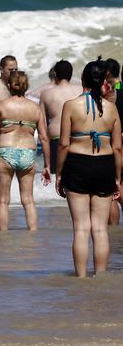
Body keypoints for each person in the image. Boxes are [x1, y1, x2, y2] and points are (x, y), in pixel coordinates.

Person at [56, 58, 122, 277]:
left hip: (77, 165)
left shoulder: (71, 106)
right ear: (103, 81)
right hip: (104, 166)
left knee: (81, 228)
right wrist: (118, 179)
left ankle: (82, 279)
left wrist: (59, 175)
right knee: (100, 229)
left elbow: (64, 144)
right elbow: (118, 148)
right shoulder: (112, 109)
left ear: (83, 79)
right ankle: (100, 277)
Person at [0, 71, 52, 231]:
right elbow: (44, 138)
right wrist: (47, 166)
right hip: (28, 153)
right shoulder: (35, 108)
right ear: (26, 86)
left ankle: (3, 236)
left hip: (5, 153)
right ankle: (33, 235)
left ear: (9, 85)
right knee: (28, 200)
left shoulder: (2, 106)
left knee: (3, 200)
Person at [39, 60, 83, 174]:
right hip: (79, 139)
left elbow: (42, 126)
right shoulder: (81, 90)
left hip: (56, 141)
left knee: (56, 178)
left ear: (55, 74)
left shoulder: (46, 94)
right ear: (71, 74)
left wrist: (46, 162)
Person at [104, 58, 123, 224]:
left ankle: (113, 230)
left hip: (115, 142)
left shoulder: (112, 93)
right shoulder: (119, 87)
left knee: (111, 192)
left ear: (108, 73)